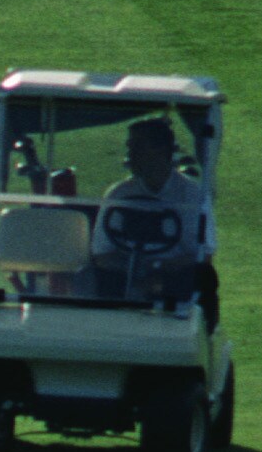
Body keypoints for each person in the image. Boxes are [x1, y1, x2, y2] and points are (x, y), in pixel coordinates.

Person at [92, 115, 216, 320]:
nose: (130, 155)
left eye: (138, 147)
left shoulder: (192, 195)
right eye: (130, 147)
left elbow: (201, 255)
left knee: (204, 278)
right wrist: (137, 272)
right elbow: (102, 254)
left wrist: (157, 272)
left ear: (161, 150)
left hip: (173, 277)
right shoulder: (119, 194)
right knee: (101, 280)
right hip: (125, 272)